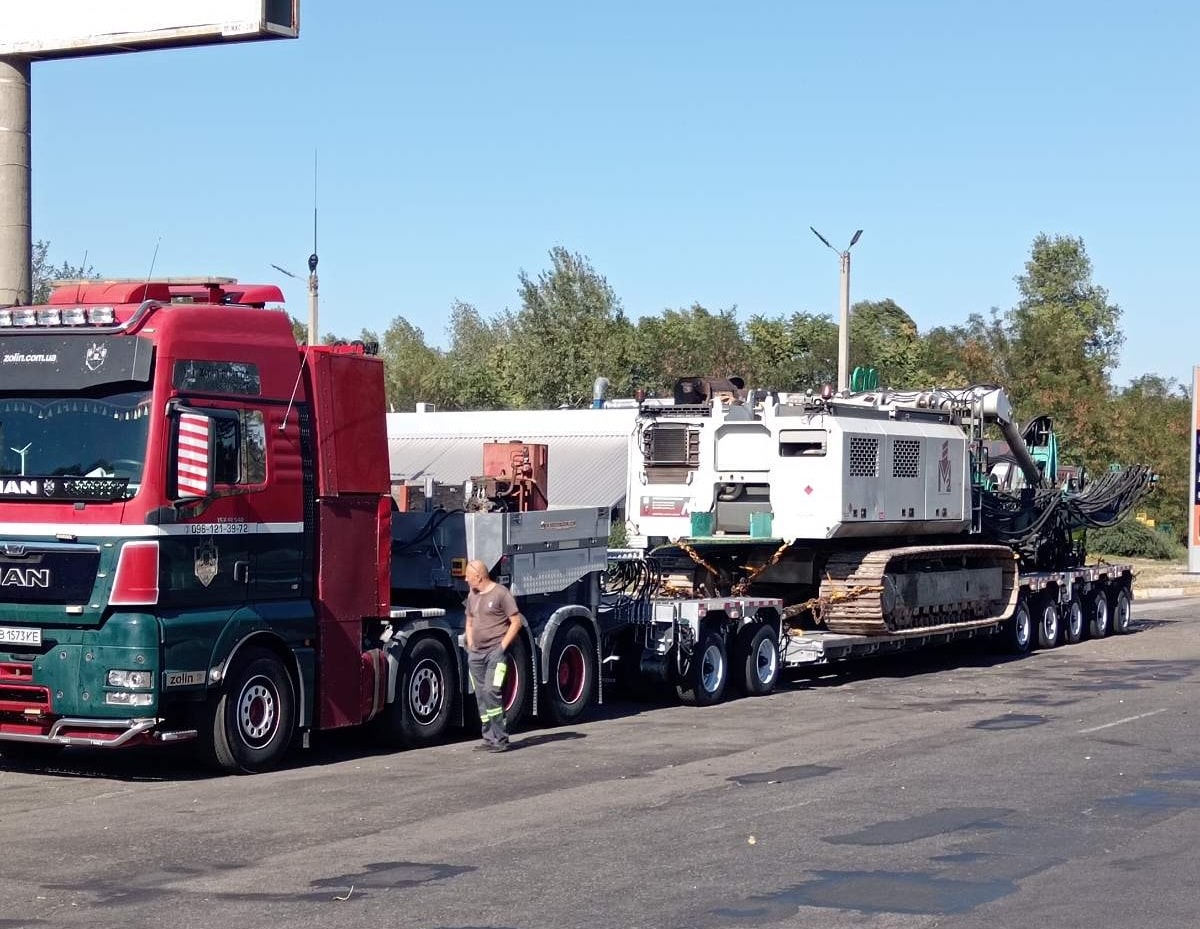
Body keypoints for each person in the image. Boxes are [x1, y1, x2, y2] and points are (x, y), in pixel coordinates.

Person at [464, 560, 524, 753]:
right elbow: (469, 621)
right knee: (481, 695)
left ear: (479, 576)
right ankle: (489, 738)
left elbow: (516, 622)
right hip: (476, 655)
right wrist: (471, 644)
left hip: (495, 654)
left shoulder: (501, 594)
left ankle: (501, 738)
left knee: (491, 691)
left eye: (468, 576)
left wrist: (502, 647)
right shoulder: (472, 595)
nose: (465, 579)